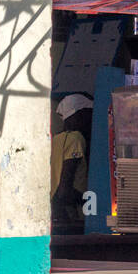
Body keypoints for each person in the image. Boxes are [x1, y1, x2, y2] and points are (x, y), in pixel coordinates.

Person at [51, 93, 94, 231]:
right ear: (77, 115)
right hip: (70, 213)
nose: (91, 120)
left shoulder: (56, 139)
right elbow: (65, 187)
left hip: (56, 210)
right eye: (88, 115)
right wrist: (89, 201)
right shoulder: (76, 138)